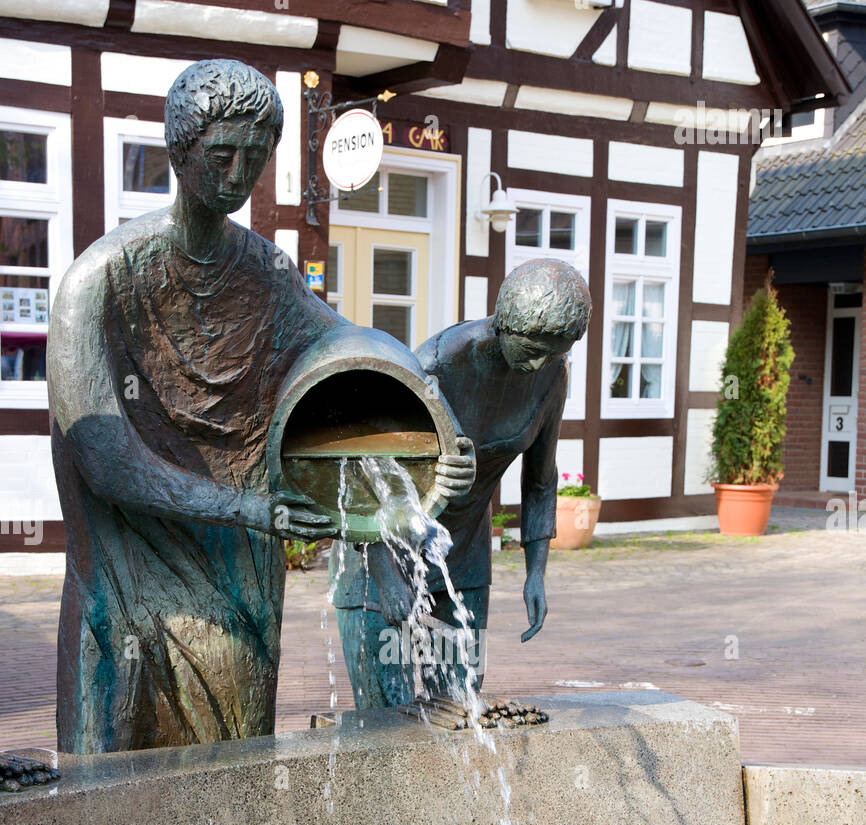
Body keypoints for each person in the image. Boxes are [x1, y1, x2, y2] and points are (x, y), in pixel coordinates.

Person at [48, 59, 473, 753]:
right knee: (114, 760)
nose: (238, 175)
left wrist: (437, 420)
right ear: (179, 151)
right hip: (132, 549)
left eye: (256, 156)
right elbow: (106, 459)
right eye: (220, 155)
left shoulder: (266, 271)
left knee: (238, 750)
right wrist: (251, 510)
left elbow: (346, 339)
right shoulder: (97, 282)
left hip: (233, 553)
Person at [330, 258, 592, 707]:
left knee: (460, 704)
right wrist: (388, 577)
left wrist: (535, 573)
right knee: (386, 721)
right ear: (503, 325)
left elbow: (541, 481)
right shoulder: (438, 363)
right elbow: (364, 466)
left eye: (556, 350)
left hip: (465, 556)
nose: (540, 362)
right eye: (531, 347)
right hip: (381, 553)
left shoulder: (552, 374)